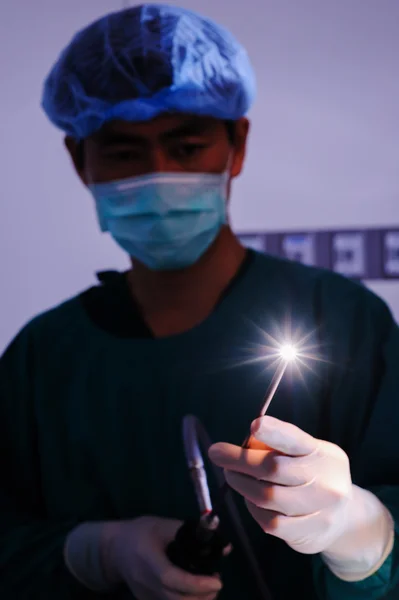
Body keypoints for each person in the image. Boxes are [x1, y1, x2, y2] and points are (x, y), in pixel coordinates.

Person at [0, 4, 398, 599]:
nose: (158, 174)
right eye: (125, 154)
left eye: (186, 147)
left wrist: (363, 536)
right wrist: (96, 551)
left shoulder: (342, 322)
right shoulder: (44, 357)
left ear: (236, 145)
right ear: (79, 160)